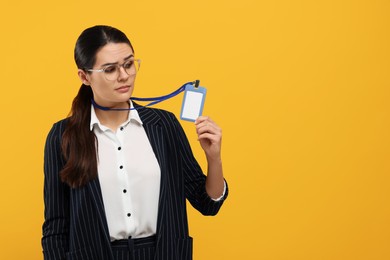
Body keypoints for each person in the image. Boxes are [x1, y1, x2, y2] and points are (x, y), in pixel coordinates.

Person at [42, 25, 228, 260]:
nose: (124, 76)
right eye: (110, 69)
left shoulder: (164, 125)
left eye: (129, 64)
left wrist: (214, 158)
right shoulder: (62, 136)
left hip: (164, 253)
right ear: (84, 76)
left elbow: (207, 203)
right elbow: (55, 228)